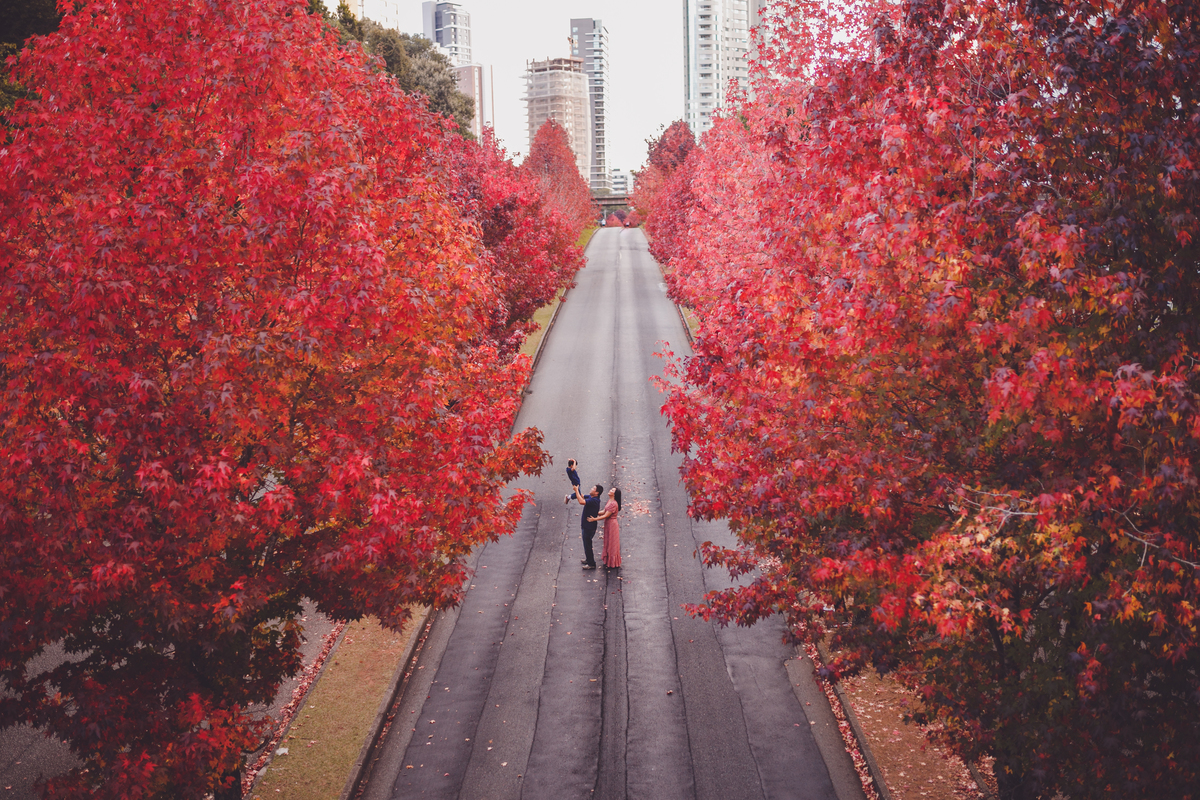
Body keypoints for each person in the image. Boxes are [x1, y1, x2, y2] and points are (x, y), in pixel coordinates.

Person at [590, 487, 622, 569]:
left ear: (615, 494)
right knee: (608, 541)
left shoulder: (614, 504)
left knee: (612, 543)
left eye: (612, 490)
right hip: (608, 524)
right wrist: (594, 512)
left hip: (612, 524)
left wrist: (594, 519)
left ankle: (612, 562)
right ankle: (608, 561)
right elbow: (603, 511)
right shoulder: (610, 501)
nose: (610, 490)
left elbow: (606, 515)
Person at [573, 484, 603, 569]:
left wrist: (576, 491)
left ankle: (591, 564)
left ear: (597, 493)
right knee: (586, 544)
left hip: (589, 527)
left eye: (593, 488)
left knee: (588, 544)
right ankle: (588, 559)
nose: (591, 488)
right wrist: (577, 489)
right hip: (586, 525)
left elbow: (581, 501)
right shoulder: (591, 497)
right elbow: (582, 496)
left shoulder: (595, 500)